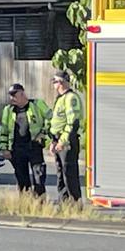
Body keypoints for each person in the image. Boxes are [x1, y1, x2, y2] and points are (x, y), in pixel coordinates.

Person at [0, 83, 48, 196]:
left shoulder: (37, 105)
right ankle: (25, 203)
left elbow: (51, 119)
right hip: (17, 148)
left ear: (22, 94)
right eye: (10, 96)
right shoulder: (8, 110)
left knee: (39, 176)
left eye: (14, 96)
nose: (12, 99)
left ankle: (40, 204)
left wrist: (43, 134)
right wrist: (4, 148)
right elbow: (4, 130)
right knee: (22, 178)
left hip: (34, 146)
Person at [48, 71, 84, 202]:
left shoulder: (71, 98)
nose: (54, 85)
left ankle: (75, 203)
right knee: (60, 174)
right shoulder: (60, 98)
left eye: (55, 82)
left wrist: (63, 141)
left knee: (69, 173)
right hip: (58, 140)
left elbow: (72, 122)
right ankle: (63, 202)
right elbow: (57, 121)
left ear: (61, 83)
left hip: (67, 141)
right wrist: (53, 141)